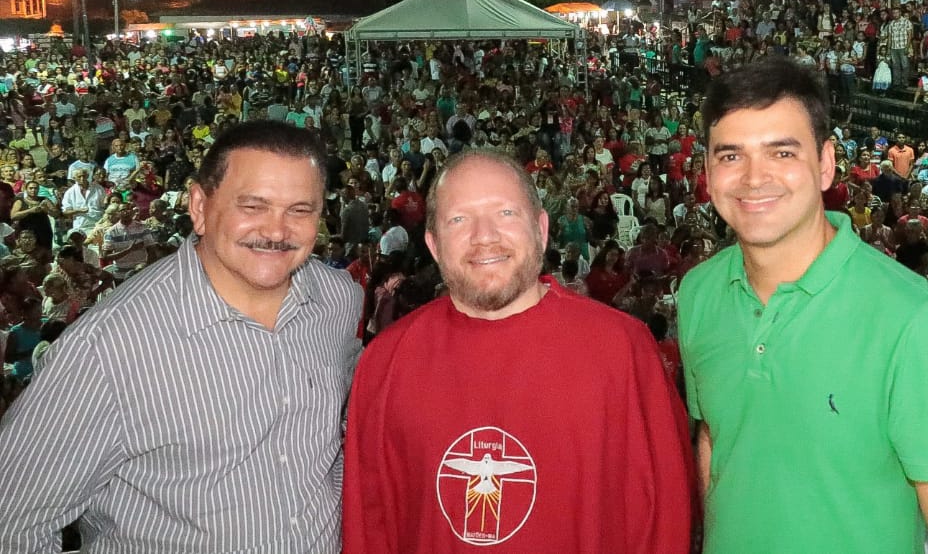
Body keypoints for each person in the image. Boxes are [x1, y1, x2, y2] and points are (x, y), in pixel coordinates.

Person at [679, 57, 928, 554]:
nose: (754, 178)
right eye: (731, 156)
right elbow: (716, 440)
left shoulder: (909, 321)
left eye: (782, 153)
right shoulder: (698, 293)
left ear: (825, 163)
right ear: (708, 171)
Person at [0, 120, 363, 552]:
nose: (277, 231)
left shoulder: (337, 300)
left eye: (300, 210)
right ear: (199, 206)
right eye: (252, 206)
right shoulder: (109, 346)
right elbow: (13, 522)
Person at [342, 150, 692, 553]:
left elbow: (666, 520)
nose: (484, 235)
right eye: (459, 219)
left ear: (541, 230)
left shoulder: (624, 352)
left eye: (506, 213)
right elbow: (369, 529)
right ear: (434, 245)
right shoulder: (386, 362)